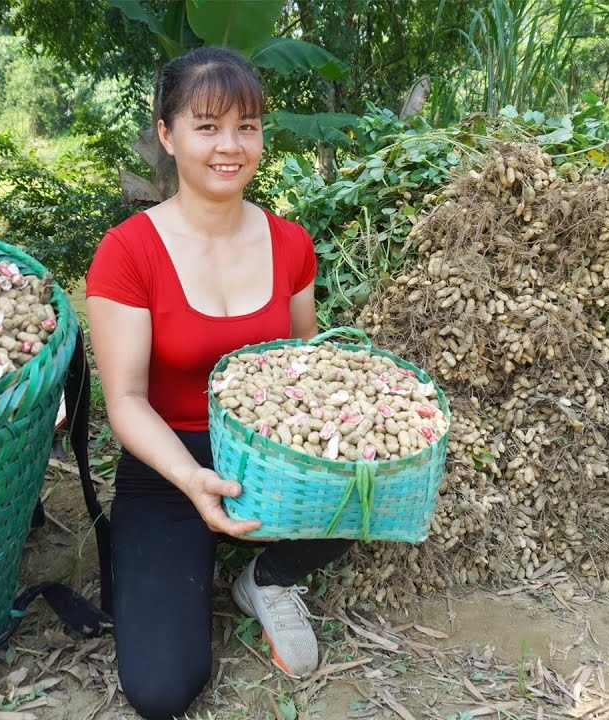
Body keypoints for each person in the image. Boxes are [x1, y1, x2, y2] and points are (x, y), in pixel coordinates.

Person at [84, 46, 353, 719]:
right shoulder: (128, 252)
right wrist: (191, 478)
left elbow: (303, 363)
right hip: (168, 462)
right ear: (168, 136)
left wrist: (334, 436)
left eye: (247, 126)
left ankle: (266, 577)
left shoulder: (290, 243)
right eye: (207, 127)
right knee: (162, 689)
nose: (230, 146)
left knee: (368, 485)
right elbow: (125, 401)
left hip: (269, 455)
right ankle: (191, 549)